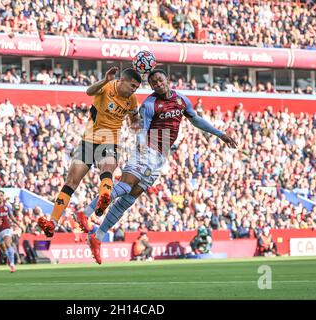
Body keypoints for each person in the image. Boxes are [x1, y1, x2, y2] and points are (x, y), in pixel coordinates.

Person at [81, 69, 237, 264]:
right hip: (147, 149)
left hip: (160, 157)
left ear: (166, 80)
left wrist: (220, 134)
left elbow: (196, 119)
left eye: (159, 80)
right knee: (125, 186)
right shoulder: (149, 103)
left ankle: (97, 237)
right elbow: (142, 127)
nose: (157, 84)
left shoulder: (181, 100)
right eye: (153, 82)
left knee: (129, 199)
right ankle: (85, 213)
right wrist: (142, 147)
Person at [37, 67, 142, 237]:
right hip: (88, 140)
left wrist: (136, 124)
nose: (133, 90)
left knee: (107, 168)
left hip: (110, 140)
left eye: (136, 88)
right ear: (122, 80)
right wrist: (105, 80)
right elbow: (88, 91)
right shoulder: (107, 87)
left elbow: (134, 119)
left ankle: (104, 199)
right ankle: (52, 222)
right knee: (71, 181)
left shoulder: (132, 100)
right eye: (132, 86)